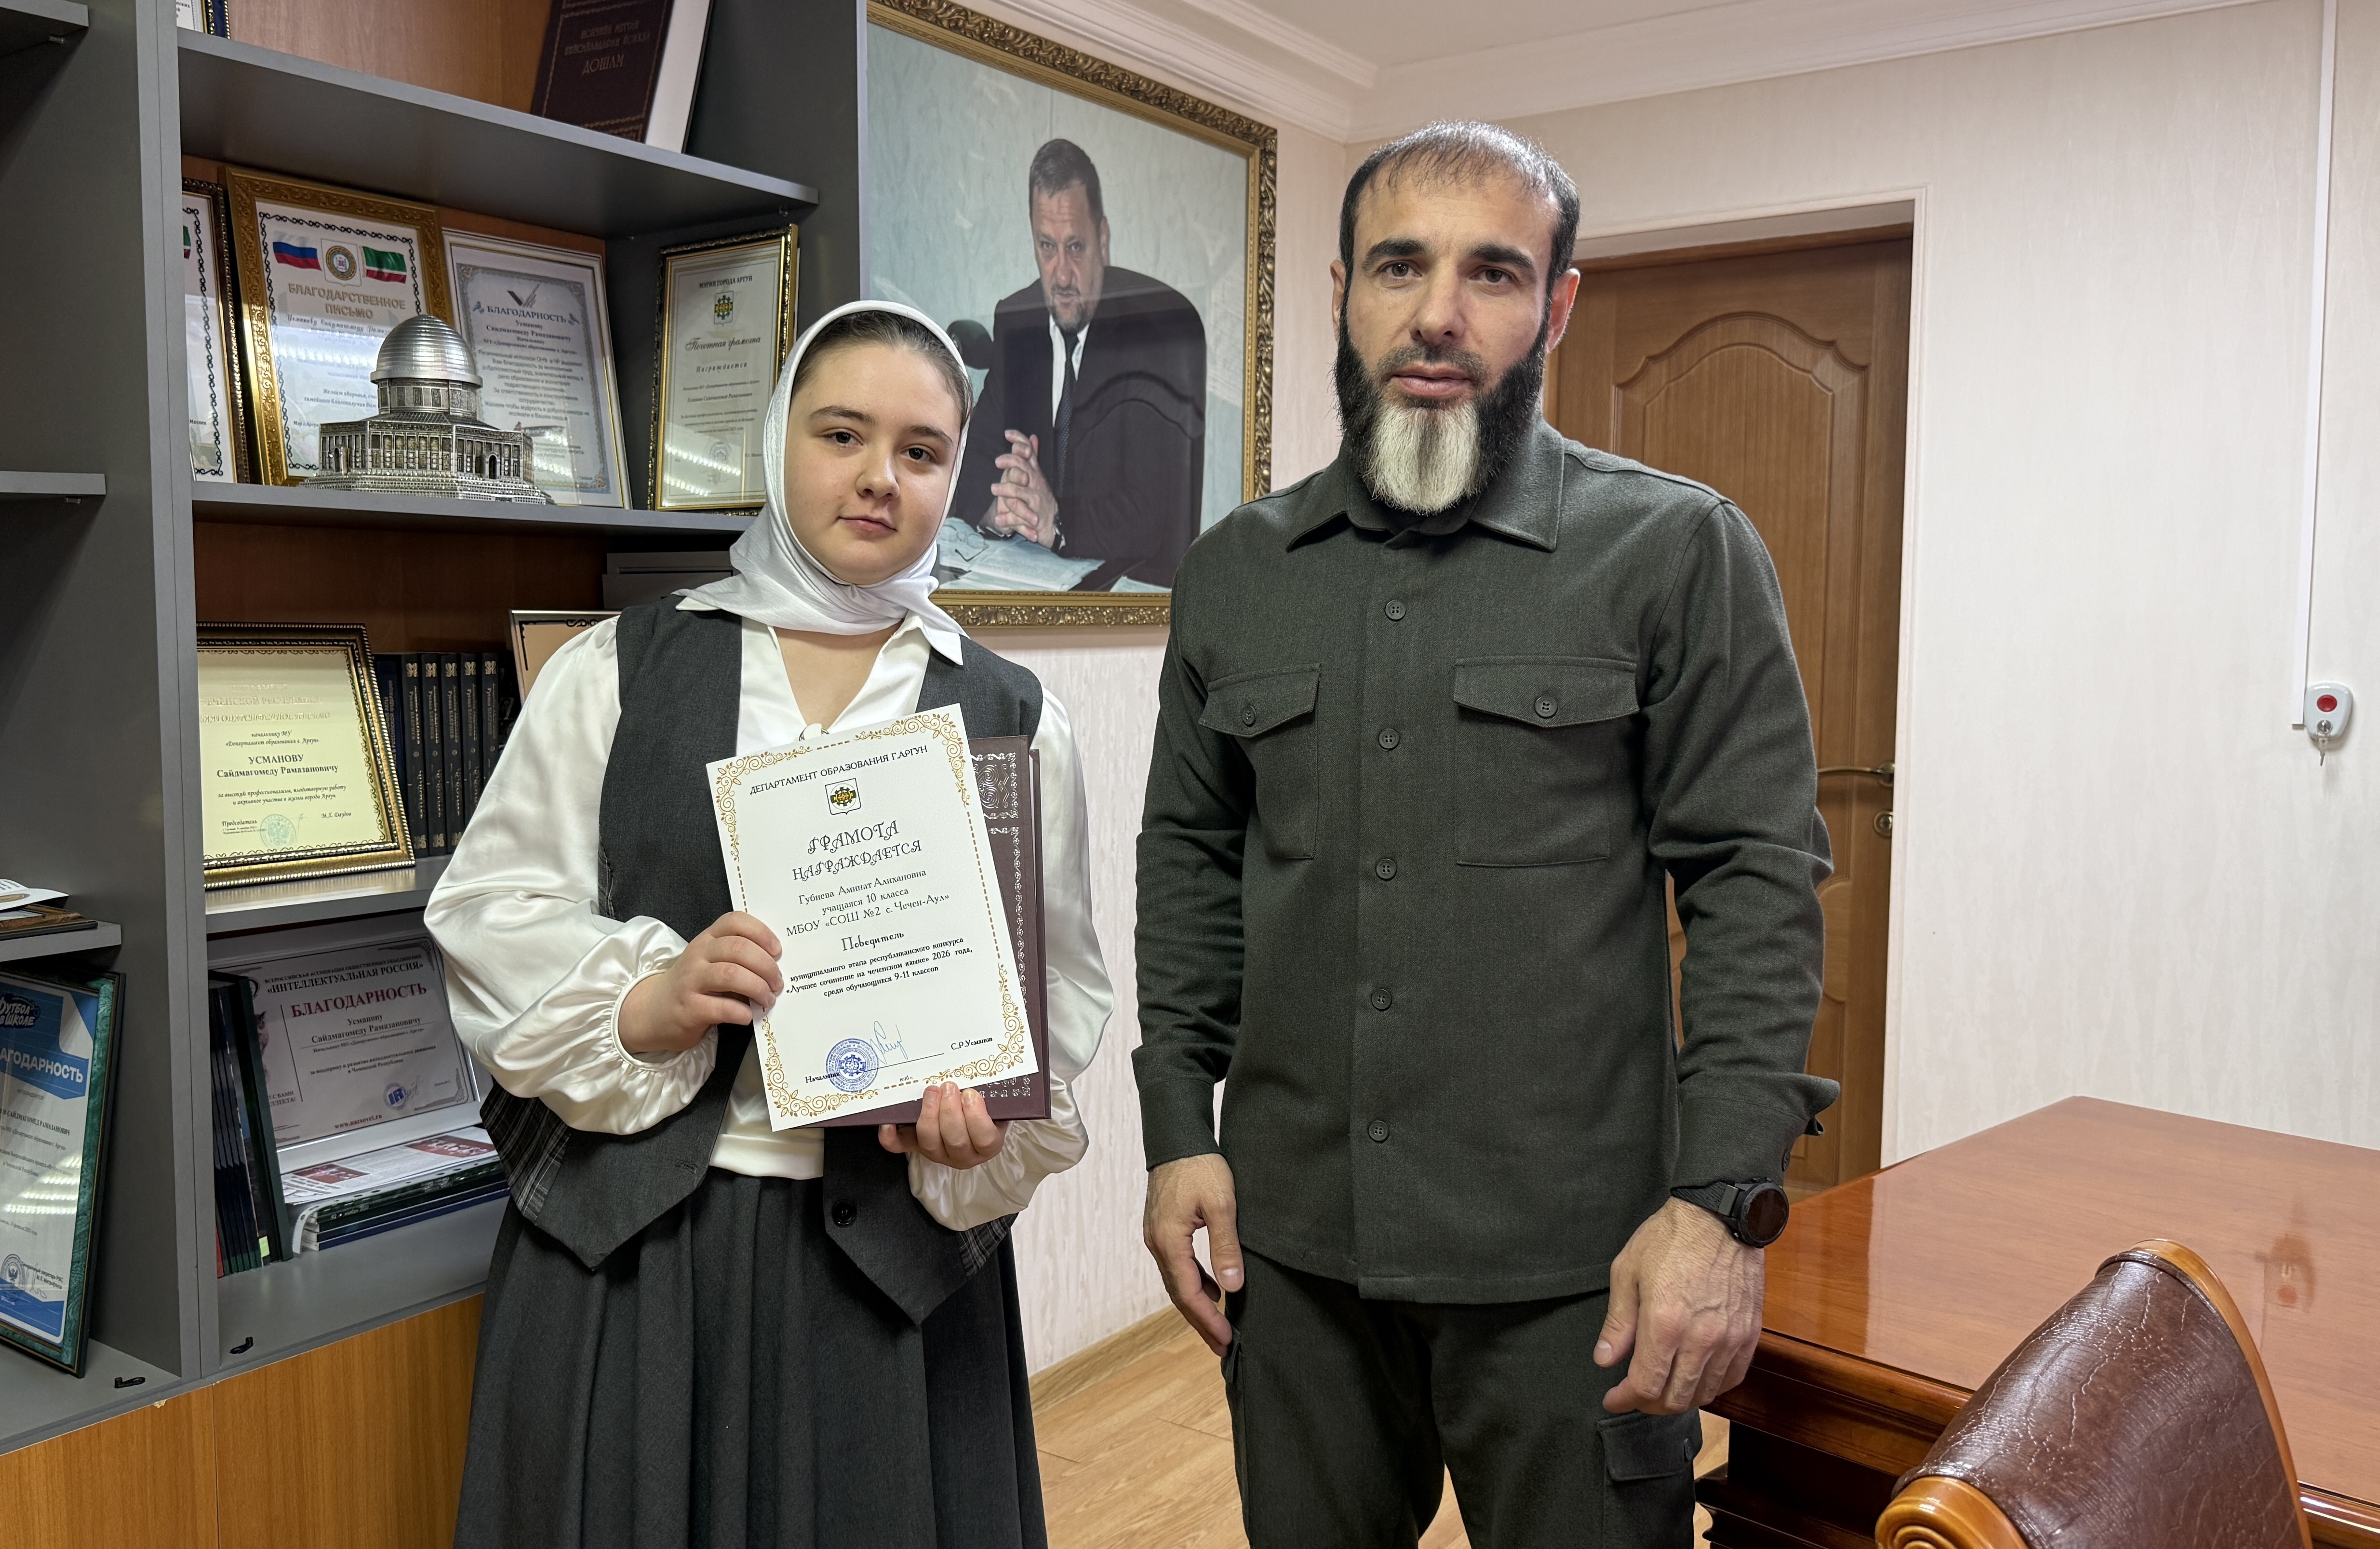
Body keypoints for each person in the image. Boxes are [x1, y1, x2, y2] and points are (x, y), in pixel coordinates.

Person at [1134, 121, 1837, 1547]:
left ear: (1556, 306)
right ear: (1343, 291)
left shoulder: (1675, 551)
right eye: (1400, 266)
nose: (1438, 315)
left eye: (1493, 274)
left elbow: (1755, 882)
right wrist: (1173, 1130)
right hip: (1298, 1256)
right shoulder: (1234, 572)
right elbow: (1190, 854)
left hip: (1579, 1271)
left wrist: (1717, 1210)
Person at [428, 299, 1112, 1549]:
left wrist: (983, 1117)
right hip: (637, 1264)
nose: (878, 475)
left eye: (920, 450)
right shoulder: (616, 670)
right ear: (778, 437)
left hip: (888, 1282)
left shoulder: (1014, 716)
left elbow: (1055, 991)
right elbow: (489, 911)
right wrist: (647, 1000)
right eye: (841, 434)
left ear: (955, 471)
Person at [959, 138, 1205, 589]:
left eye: (1076, 247)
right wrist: (1001, 505)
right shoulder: (1018, 323)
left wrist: (1056, 519)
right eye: (1047, 247)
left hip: (1125, 592)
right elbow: (969, 459)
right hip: (1034, 582)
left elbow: (1152, 511)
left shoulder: (1152, 338)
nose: (1061, 274)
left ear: (1103, 240)